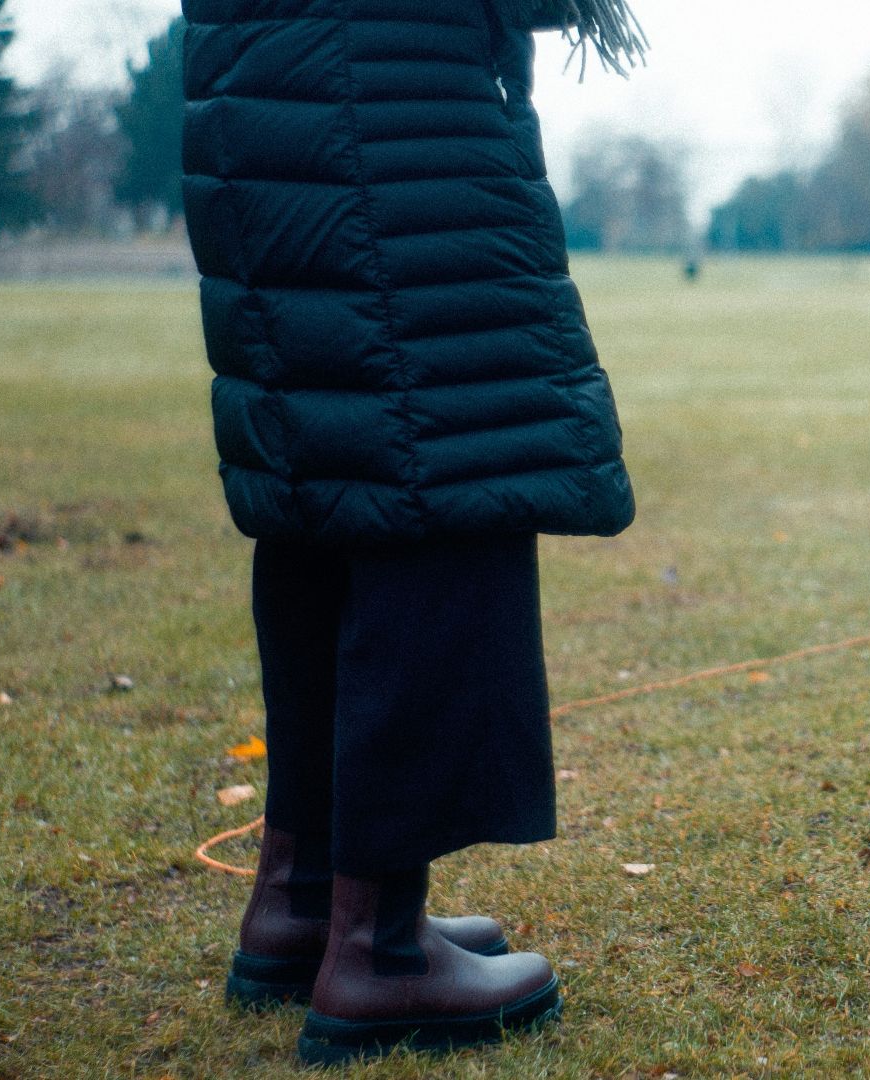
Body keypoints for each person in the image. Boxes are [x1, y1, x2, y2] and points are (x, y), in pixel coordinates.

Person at [179, 0, 646, 1065]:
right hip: (382, 95)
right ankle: (380, 951)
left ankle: (305, 903)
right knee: (445, 467)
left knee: (336, 470)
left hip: (264, 91)